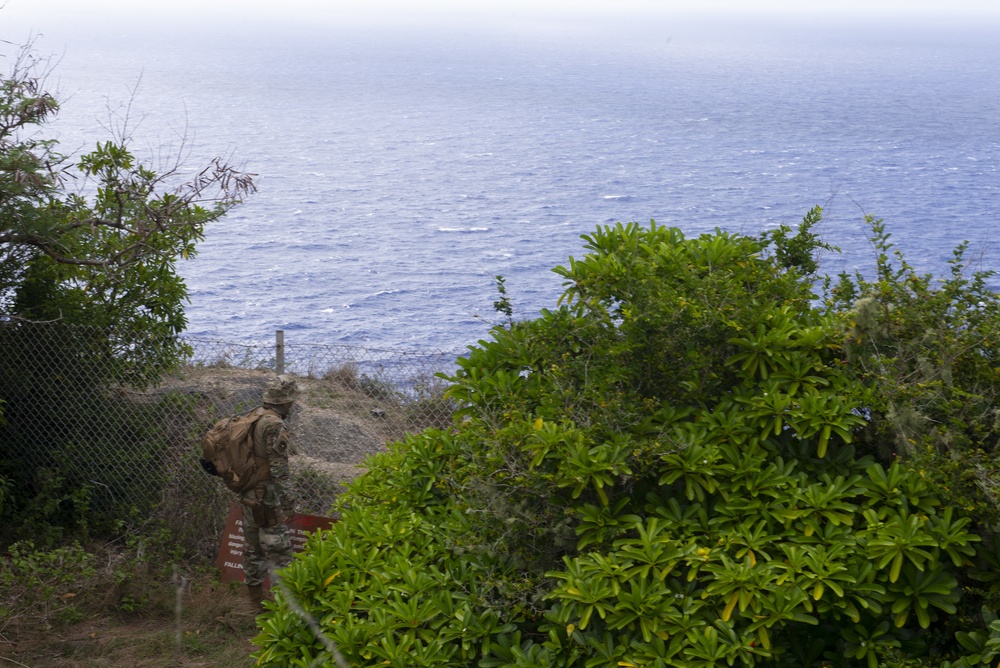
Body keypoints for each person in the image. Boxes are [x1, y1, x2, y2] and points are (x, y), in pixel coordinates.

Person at [234, 375, 299, 609]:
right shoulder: (274, 424)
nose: (293, 405)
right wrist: (289, 503)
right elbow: (279, 469)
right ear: (285, 401)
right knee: (279, 550)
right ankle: (286, 608)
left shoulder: (253, 415)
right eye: (292, 401)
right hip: (267, 496)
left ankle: (254, 604)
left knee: (252, 549)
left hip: (249, 492)